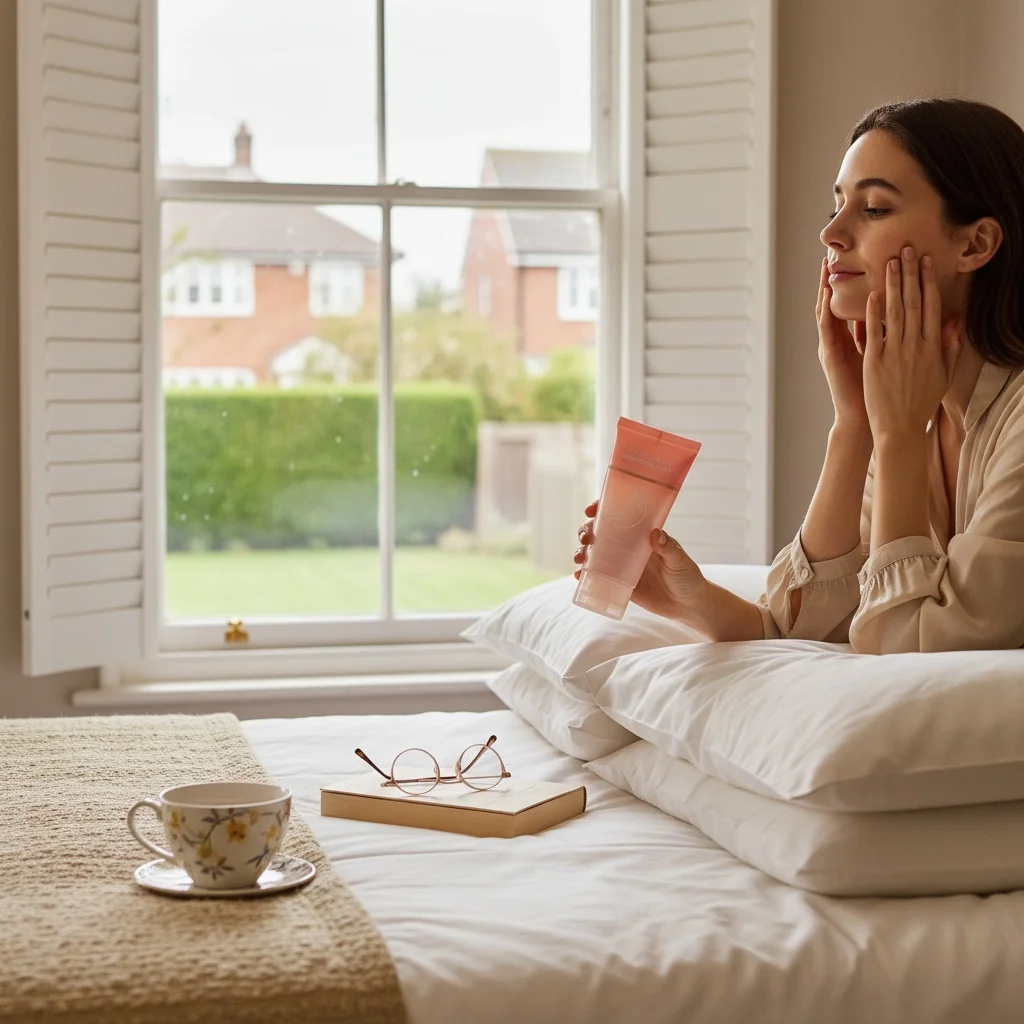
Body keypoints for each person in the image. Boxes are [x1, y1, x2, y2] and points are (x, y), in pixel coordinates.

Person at [575, 97, 1024, 655]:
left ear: (975, 244)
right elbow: (809, 626)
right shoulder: (916, 410)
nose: (831, 233)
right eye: (836, 205)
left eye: (875, 208)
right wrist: (855, 423)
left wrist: (897, 437)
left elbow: (905, 651)